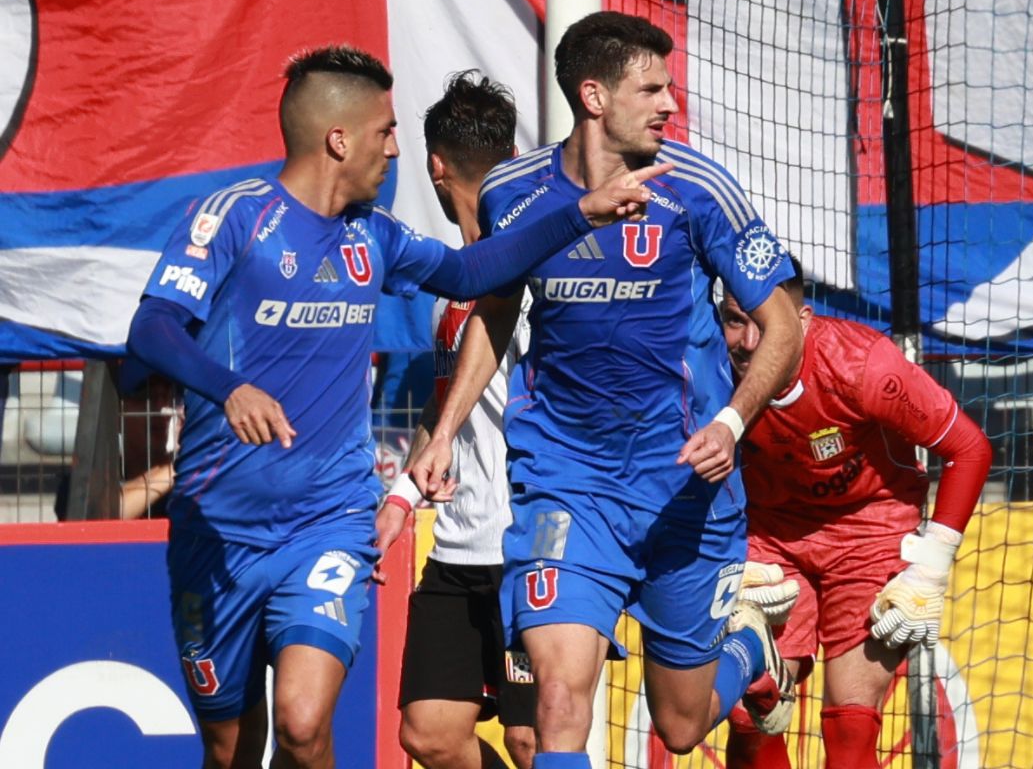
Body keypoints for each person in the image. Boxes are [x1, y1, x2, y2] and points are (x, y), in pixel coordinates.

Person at [124, 44, 670, 769]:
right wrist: (229, 388)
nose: (395, 149)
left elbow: (472, 271)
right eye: (384, 132)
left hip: (327, 522)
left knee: (302, 722)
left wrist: (579, 215)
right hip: (216, 531)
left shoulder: (374, 235)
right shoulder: (234, 218)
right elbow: (151, 328)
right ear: (337, 139)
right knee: (230, 750)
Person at [409, 12, 804, 766]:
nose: (669, 104)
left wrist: (729, 422)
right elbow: (494, 310)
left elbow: (783, 326)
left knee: (680, 726)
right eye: (651, 89)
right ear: (594, 96)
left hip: (684, 485)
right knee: (556, 705)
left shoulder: (699, 189)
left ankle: (749, 646)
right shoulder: (512, 192)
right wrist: (445, 433)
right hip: (567, 483)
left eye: (668, 88)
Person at [718, 257, 993, 769]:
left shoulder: (864, 366)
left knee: (849, 729)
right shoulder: (705, 366)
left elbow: (969, 448)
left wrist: (930, 570)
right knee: (746, 711)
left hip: (869, 529)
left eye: (763, 322)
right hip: (769, 535)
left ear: (802, 321)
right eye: (734, 321)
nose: (749, 342)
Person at [373, 71, 536, 769]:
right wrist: (402, 496)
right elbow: (447, 407)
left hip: (530, 544)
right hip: (458, 548)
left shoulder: (540, 278)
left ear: (435, 167)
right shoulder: (454, 293)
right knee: (429, 734)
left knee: (533, 740)